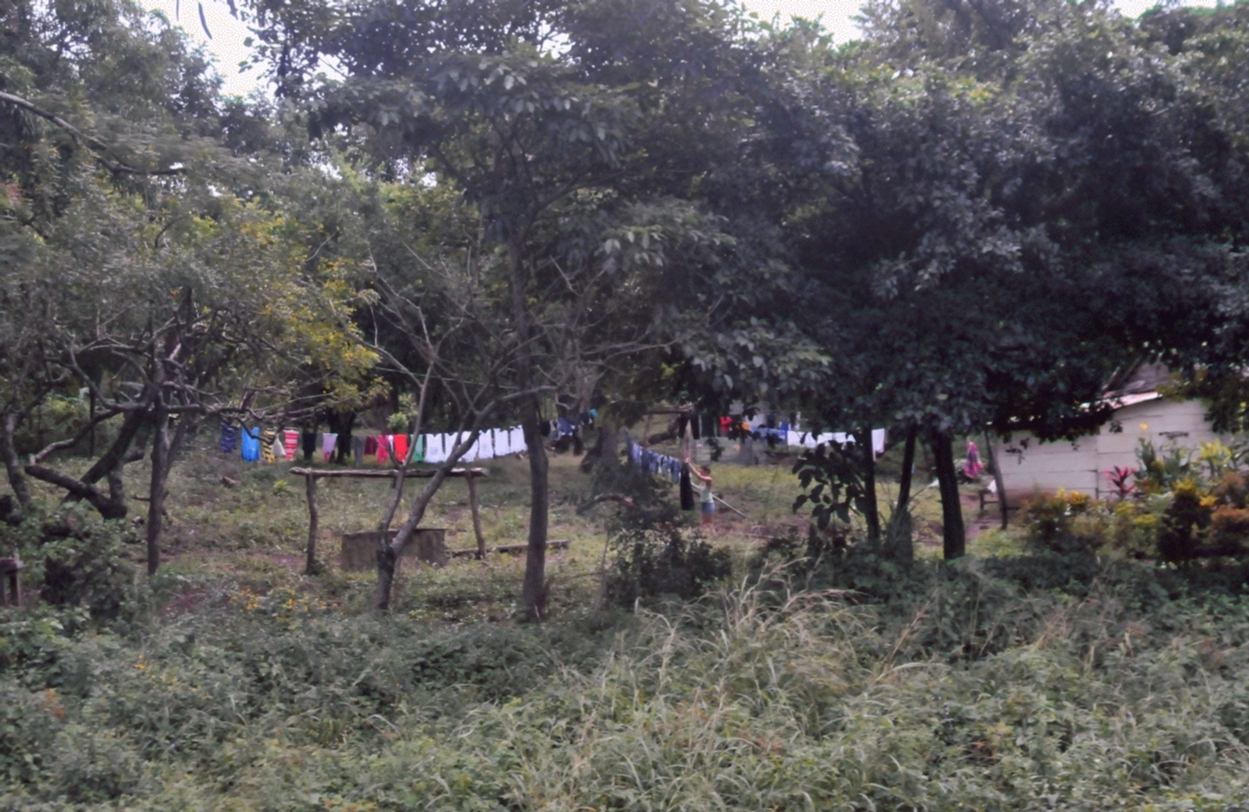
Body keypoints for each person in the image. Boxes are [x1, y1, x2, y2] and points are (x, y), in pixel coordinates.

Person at [687, 457, 714, 527]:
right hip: (703, 503)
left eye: (701, 470)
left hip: (708, 503)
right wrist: (690, 464)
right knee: (704, 523)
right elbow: (695, 472)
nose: (700, 471)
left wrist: (689, 464)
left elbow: (698, 476)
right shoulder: (702, 482)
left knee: (709, 523)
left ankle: (712, 535)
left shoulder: (709, 479)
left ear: (706, 471)